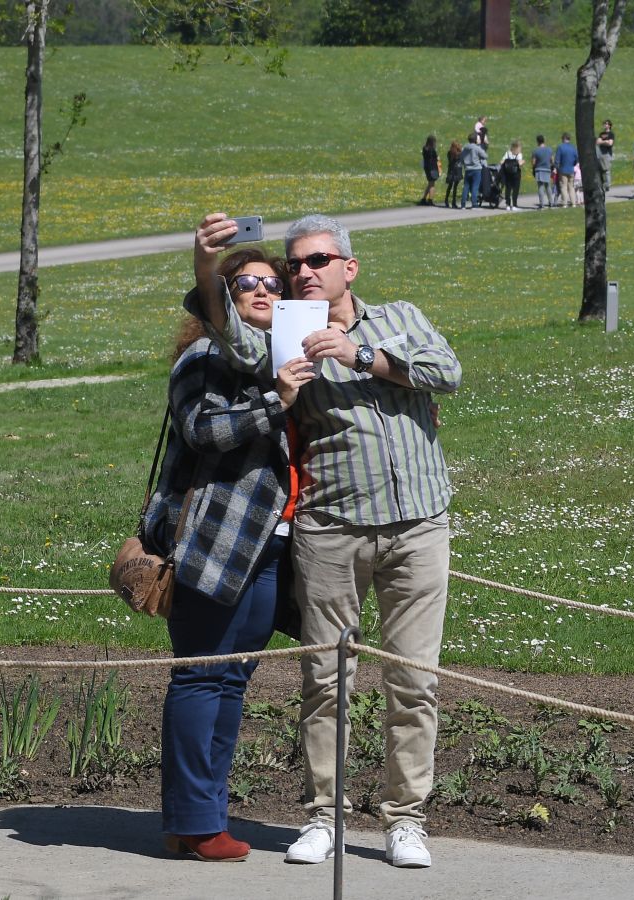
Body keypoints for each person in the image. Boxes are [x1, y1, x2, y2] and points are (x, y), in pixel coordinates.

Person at [186, 213, 461, 871]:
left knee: (413, 682)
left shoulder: (398, 316)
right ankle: (322, 818)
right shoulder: (282, 332)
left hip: (417, 525)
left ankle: (405, 823)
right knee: (325, 681)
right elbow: (225, 332)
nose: (302, 272)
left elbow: (444, 371)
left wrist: (360, 355)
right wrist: (202, 264)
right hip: (330, 528)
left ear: (348, 267)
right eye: (295, 264)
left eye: (316, 260)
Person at [150, 229, 317, 863]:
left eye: (273, 284)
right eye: (247, 283)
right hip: (215, 545)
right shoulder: (202, 361)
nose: (263, 291)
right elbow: (202, 428)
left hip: (271, 550)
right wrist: (277, 403)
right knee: (200, 677)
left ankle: (199, 817)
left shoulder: (280, 359)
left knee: (233, 681)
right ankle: (195, 823)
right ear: (223, 295)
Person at [459, 132, 487, 210]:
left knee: (466, 186)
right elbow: (485, 156)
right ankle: (474, 204)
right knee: (475, 186)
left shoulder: (465, 148)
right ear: (475, 140)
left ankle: (463, 204)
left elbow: (461, 157)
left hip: (468, 169)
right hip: (476, 169)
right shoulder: (477, 148)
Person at [554, 132, 579, 208]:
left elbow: (557, 159)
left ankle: (564, 203)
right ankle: (573, 203)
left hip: (563, 169)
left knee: (563, 186)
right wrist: (573, 164)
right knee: (571, 187)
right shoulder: (573, 147)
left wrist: (556, 167)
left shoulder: (560, 147)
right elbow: (577, 158)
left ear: (563, 138)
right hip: (571, 169)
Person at [500, 139, 524, 211]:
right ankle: (514, 205)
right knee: (515, 189)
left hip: (507, 174)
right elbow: (519, 164)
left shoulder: (507, 153)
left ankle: (507, 205)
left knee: (508, 189)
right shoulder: (519, 154)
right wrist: (523, 161)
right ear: (517, 147)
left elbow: (501, 162)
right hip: (516, 174)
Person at [530, 134, 554, 208]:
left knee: (540, 187)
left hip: (539, 169)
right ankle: (551, 202)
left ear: (537, 141)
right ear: (544, 140)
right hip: (547, 169)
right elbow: (552, 160)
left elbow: (533, 163)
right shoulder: (549, 150)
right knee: (548, 186)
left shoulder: (535, 151)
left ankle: (542, 203)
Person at [419, 135, 439, 206]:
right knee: (432, 185)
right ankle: (430, 200)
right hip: (432, 168)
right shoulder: (432, 150)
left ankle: (423, 199)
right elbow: (435, 158)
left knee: (430, 183)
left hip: (427, 167)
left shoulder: (425, 148)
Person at [442, 139, 463, 208]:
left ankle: (446, 200)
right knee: (455, 187)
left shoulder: (449, 153)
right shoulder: (459, 153)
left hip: (451, 170)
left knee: (450, 186)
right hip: (457, 171)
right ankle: (453, 202)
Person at [596, 119, 615, 189]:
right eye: (604, 124)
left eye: (606, 124)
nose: (605, 125)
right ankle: (602, 183)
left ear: (609, 125)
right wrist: (605, 141)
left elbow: (610, 143)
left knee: (607, 170)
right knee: (601, 170)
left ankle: (608, 185)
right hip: (600, 154)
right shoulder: (601, 134)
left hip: (607, 154)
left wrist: (602, 141)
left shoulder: (611, 134)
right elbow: (597, 142)